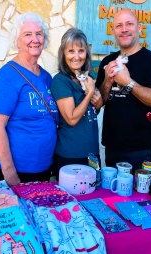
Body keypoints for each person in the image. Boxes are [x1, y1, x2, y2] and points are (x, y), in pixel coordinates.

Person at [95, 9, 151, 174]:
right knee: (112, 195)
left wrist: (128, 82)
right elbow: (98, 103)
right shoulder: (107, 62)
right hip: (112, 144)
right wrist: (107, 81)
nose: (124, 29)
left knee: (137, 197)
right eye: (119, 25)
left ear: (139, 28)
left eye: (129, 24)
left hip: (140, 148)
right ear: (113, 31)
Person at [0, 12, 59, 186]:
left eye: (39, 34)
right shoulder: (7, 76)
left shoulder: (46, 77)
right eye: (27, 34)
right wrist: (10, 174)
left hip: (43, 168)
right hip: (17, 172)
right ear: (17, 41)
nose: (34, 39)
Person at [51, 28, 103, 179]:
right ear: (64, 54)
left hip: (92, 154)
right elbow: (72, 119)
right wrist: (89, 94)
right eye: (71, 51)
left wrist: (98, 104)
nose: (76, 56)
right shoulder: (60, 81)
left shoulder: (88, 78)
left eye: (81, 51)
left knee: (92, 200)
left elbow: (90, 113)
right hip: (71, 155)